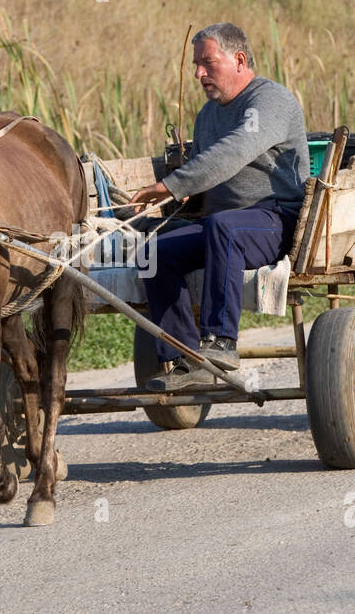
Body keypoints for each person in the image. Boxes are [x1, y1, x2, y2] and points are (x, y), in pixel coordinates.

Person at [130, 22, 309, 392]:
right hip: (222, 225)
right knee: (155, 254)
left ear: (239, 60)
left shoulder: (269, 102)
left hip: (275, 219)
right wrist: (175, 198)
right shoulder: (207, 115)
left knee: (223, 227)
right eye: (196, 65)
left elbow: (233, 153)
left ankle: (221, 344)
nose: (199, 73)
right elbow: (206, 174)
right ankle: (184, 359)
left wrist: (170, 185)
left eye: (208, 63)